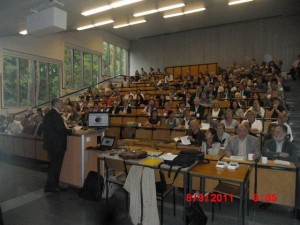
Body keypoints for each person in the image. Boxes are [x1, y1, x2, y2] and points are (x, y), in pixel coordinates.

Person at [44, 98, 73, 192]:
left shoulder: (49, 114)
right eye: (61, 103)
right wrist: (71, 131)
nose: (63, 105)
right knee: (55, 167)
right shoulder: (55, 115)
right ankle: (51, 187)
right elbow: (60, 129)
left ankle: (54, 185)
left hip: (51, 144)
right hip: (57, 145)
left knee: (53, 166)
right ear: (56, 103)